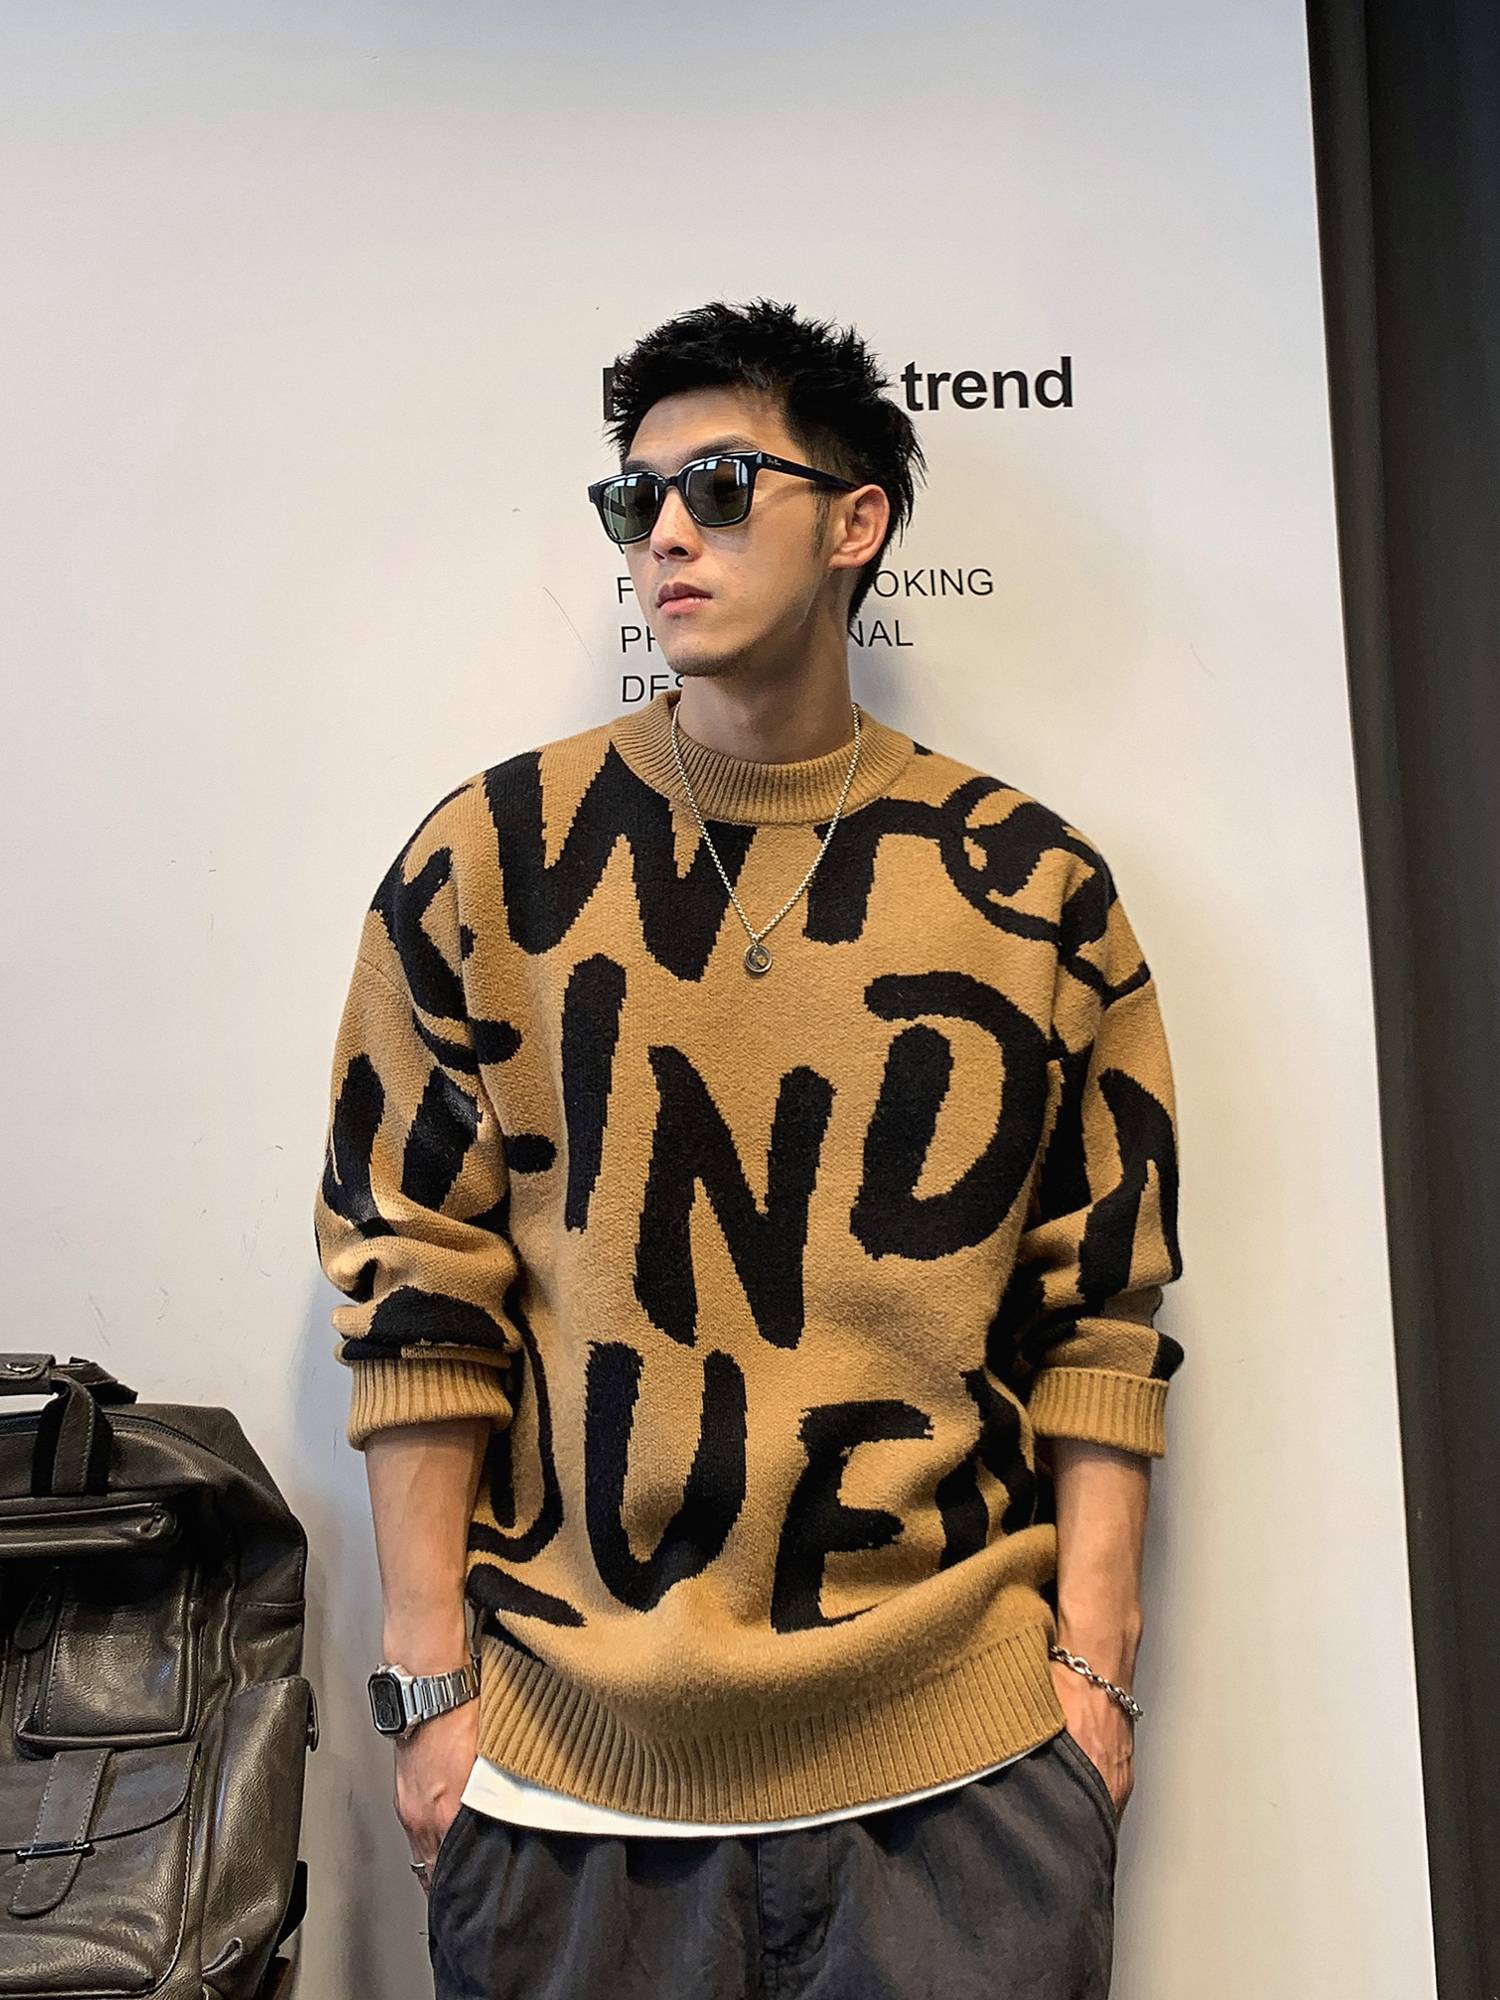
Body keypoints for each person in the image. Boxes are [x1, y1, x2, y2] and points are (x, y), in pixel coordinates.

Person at [313, 297, 1185, 1999]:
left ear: (857, 521)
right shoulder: (491, 860)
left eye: (718, 485)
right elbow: (415, 1287)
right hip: (571, 1789)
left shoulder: (1031, 887)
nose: (665, 534)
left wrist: (1094, 1673)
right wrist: (429, 1698)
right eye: (633, 499)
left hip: (964, 1780)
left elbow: (1103, 1307)